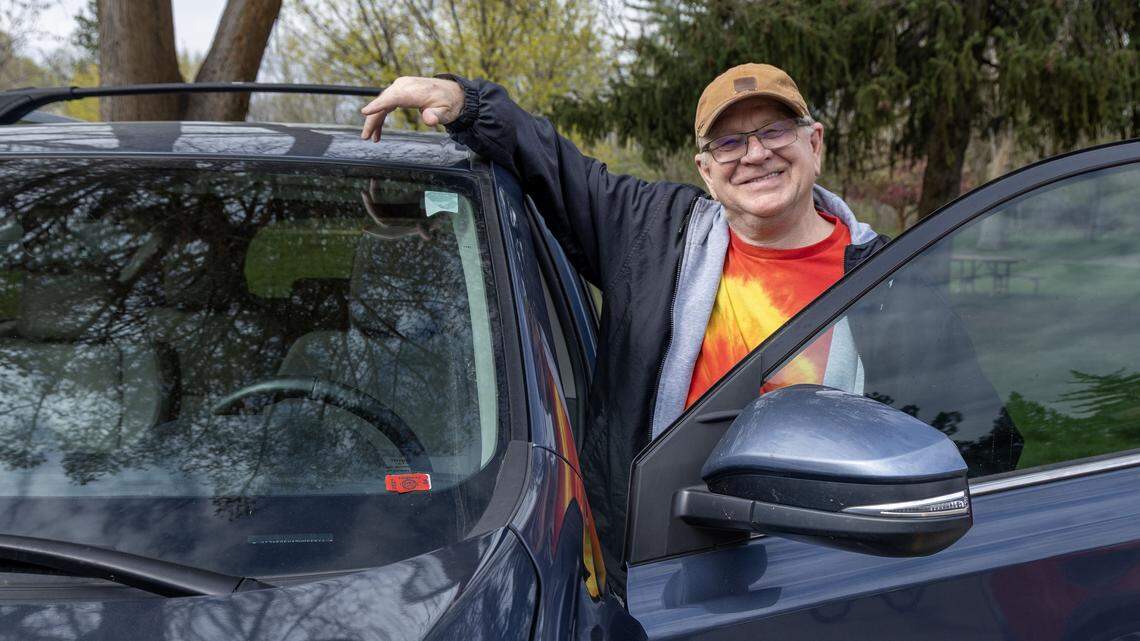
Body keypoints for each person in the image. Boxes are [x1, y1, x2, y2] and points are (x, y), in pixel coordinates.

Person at [360, 63, 1019, 590]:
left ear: (814, 144)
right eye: (728, 142)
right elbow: (552, 164)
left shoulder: (891, 282)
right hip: (658, 572)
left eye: (775, 131)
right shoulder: (653, 233)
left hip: (823, 572)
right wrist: (464, 102)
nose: (754, 154)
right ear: (705, 170)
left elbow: (978, 442)